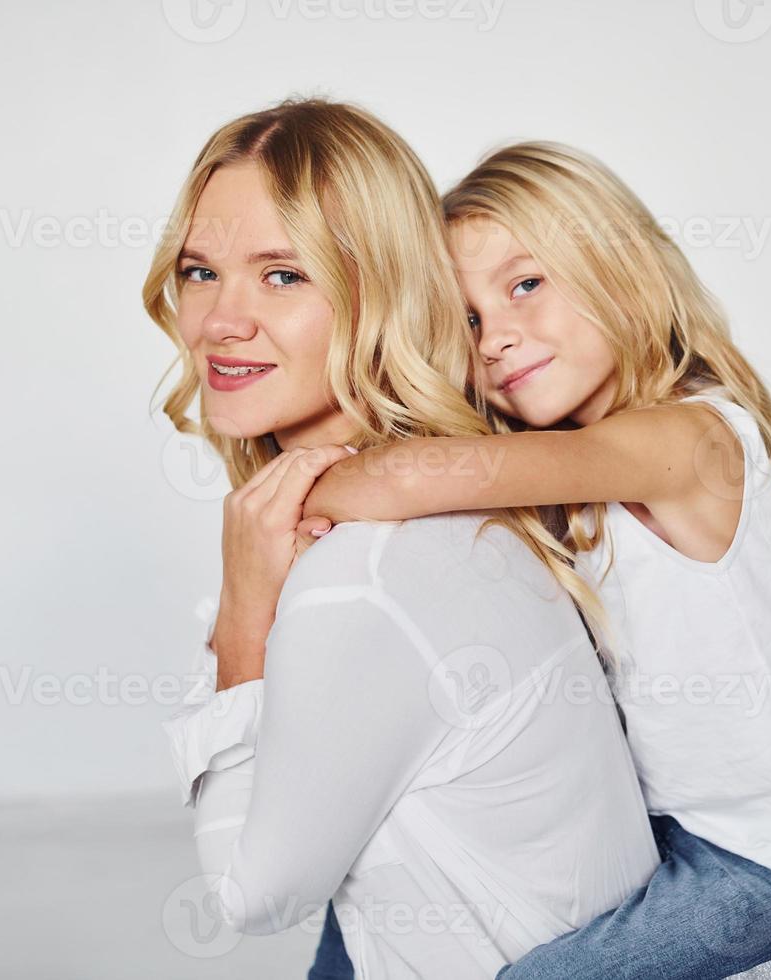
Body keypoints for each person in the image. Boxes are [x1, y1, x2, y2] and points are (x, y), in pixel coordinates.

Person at [295, 142, 771, 979]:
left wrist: (304, 479)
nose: (497, 339)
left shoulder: (685, 437)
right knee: (370, 920)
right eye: (467, 320)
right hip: (665, 838)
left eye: (526, 285)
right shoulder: (572, 462)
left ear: (616, 266)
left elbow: (417, 473)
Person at [150, 101, 659, 978]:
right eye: (201, 271)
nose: (221, 321)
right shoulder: (455, 509)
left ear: (378, 294)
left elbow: (250, 894)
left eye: (283, 276)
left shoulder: (363, 576)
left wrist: (242, 627)